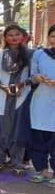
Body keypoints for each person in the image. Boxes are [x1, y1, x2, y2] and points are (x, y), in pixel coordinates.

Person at [0, 25, 31, 174]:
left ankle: (17, 162)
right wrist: (4, 87)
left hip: (21, 98)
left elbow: (33, 75)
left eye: (17, 34)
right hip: (1, 96)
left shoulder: (30, 55)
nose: (14, 37)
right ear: (5, 38)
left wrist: (22, 85)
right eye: (10, 35)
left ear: (22, 36)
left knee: (17, 131)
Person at [28, 24, 55, 185]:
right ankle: (42, 171)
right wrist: (38, 78)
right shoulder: (39, 54)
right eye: (53, 36)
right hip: (41, 103)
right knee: (39, 140)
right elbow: (32, 76)